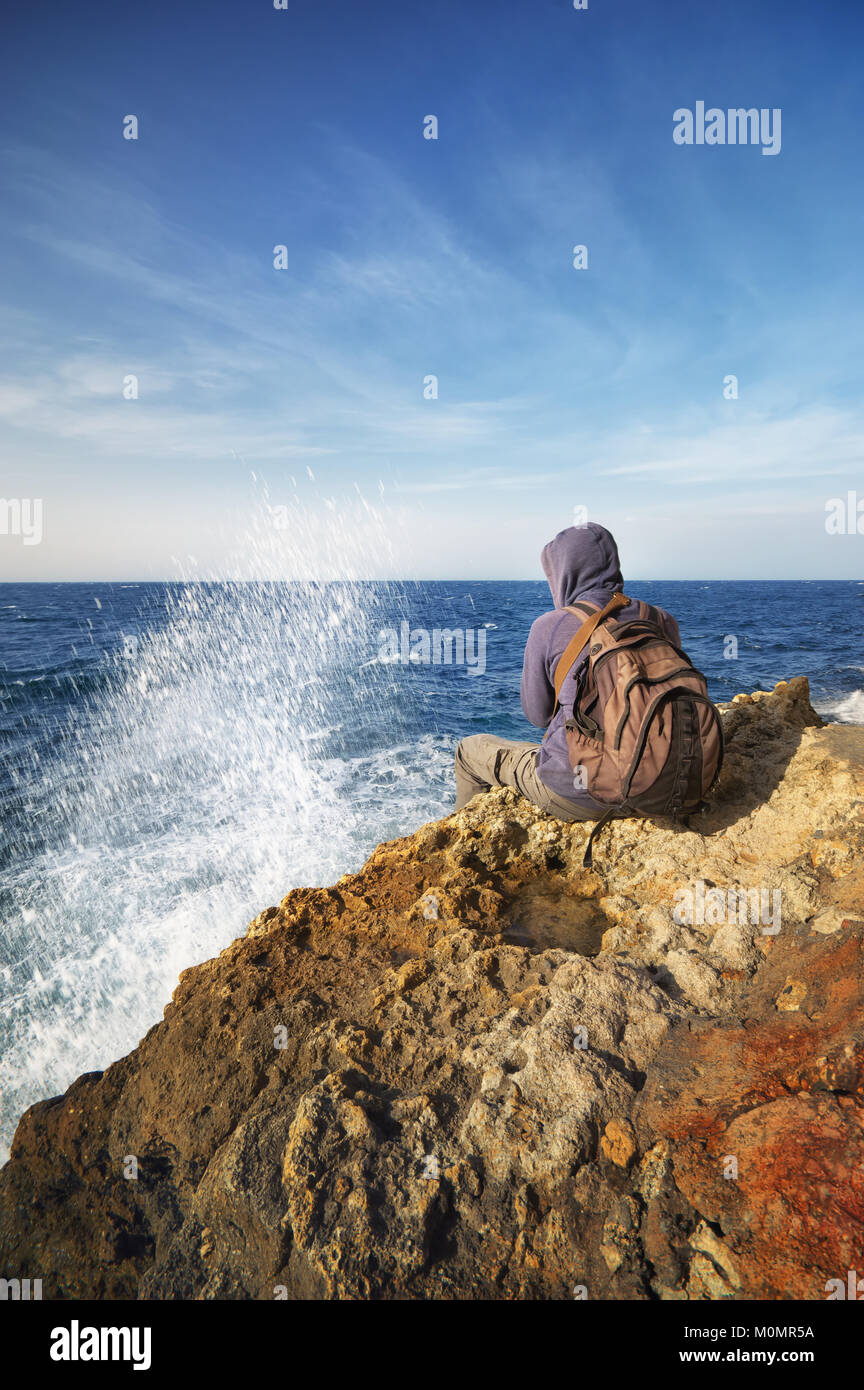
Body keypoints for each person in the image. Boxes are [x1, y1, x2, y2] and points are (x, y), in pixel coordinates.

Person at [453, 522, 682, 820]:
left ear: (563, 573)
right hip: (664, 786)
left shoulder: (550, 625)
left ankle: (459, 838)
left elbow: (537, 715)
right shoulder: (662, 619)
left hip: (581, 795)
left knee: (468, 751)